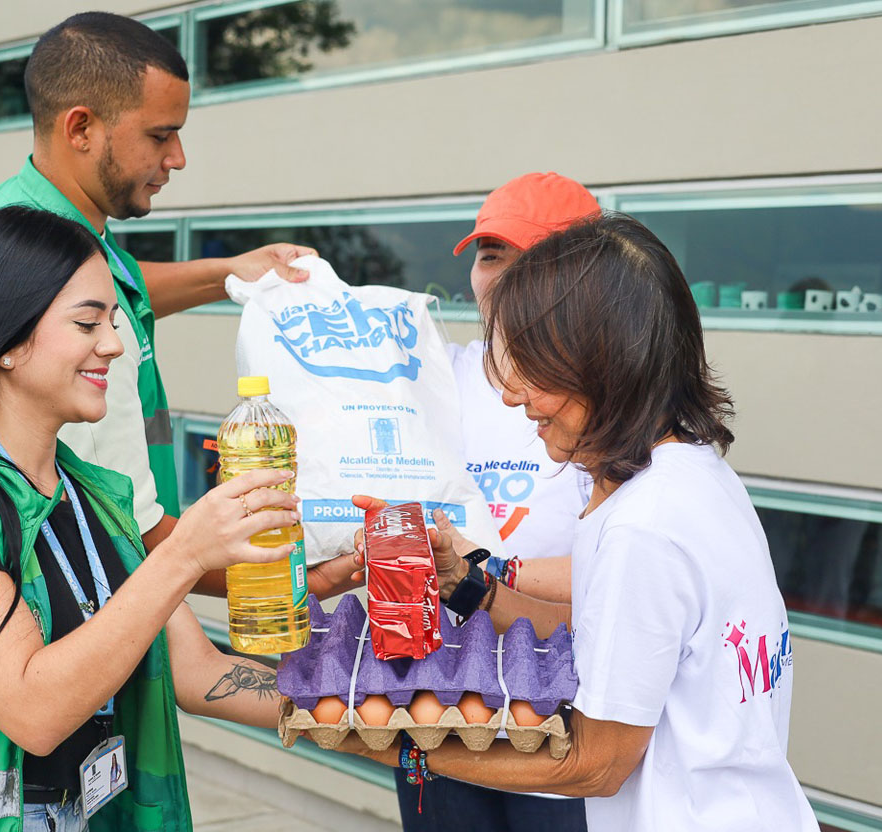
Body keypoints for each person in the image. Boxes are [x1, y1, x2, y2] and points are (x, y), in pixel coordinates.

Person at [0, 206, 304, 832]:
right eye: (88, 322)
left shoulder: (91, 494)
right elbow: (33, 708)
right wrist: (183, 555)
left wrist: (358, 709)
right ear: (7, 341)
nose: (114, 345)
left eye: (114, 322)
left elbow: (197, 671)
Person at [346, 214, 819, 832]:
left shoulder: (643, 527)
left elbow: (596, 765)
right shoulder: (693, 473)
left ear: (603, 363)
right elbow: (605, 642)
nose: (515, 398)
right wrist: (469, 583)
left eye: (533, 365)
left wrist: (398, 741)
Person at [0, 13, 361, 599]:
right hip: (95, 604)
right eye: (160, 135)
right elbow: (128, 529)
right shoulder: (46, 274)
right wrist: (289, 578)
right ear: (80, 128)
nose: (177, 158)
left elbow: (121, 286)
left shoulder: (33, 237)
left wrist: (225, 273)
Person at [387, 173, 601, 829]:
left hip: (563, 724)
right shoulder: (432, 378)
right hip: (438, 710)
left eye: (528, 258)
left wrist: (477, 580)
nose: (502, 277)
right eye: (490, 255)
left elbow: (613, 579)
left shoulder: (607, 401)